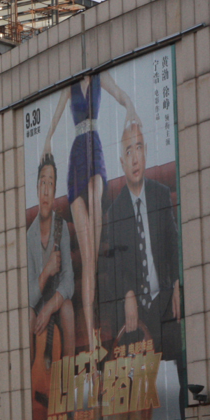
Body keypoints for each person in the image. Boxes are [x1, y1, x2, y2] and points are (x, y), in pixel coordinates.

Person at [43, 73, 140, 362]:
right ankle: (92, 337)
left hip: (95, 150)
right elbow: (55, 118)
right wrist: (47, 140)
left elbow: (122, 94)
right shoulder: (69, 86)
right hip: (77, 157)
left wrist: (131, 108)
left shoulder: (101, 78)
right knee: (88, 262)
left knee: (92, 256)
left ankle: (95, 332)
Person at [99, 121, 185, 406]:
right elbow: (113, 266)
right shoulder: (115, 212)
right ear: (121, 162)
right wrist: (127, 294)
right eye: (128, 152)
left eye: (138, 148)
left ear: (146, 152)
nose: (135, 158)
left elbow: (173, 244)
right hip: (136, 309)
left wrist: (177, 282)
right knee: (132, 376)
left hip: (165, 300)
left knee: (182, 347)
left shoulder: (160, 194)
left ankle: (187, 407)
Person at [28, 152, 76, 360]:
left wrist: (50, 308)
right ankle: (33, 372)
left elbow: (69, 280)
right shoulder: (29, 237)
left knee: (68, 308)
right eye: (43, 183)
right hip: (37, 310)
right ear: (37, 188)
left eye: (51, 184)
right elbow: (30, 297)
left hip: (55, 304)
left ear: (55, 191)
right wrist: (47, 271)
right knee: (27, 315)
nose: (46, 191)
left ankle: (69, 372)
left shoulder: (61, 226)